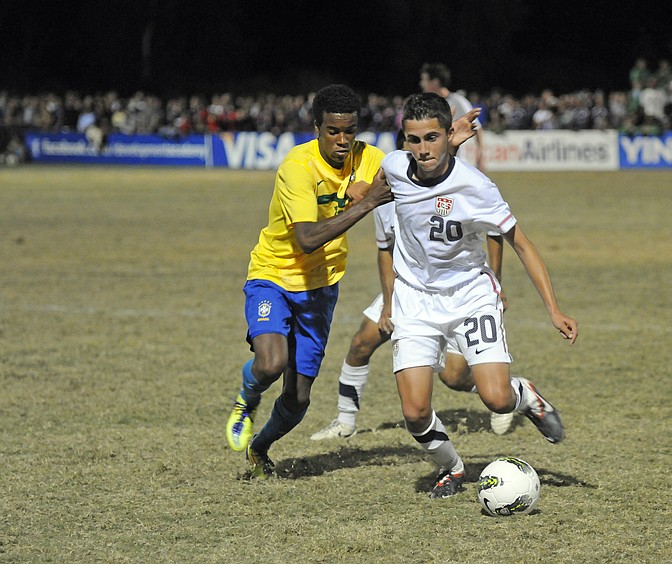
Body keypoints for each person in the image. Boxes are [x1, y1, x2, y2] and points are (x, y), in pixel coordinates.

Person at [384, 92, 578, 498]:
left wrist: (554, 309)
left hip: (471, 295)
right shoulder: (394, 168)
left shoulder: (476, 187)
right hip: (415, 300)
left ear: (447, 134)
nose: (422, 149)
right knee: (415, 412)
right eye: (414, 140)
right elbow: (371, 191)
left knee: (497, 399)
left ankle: (525, 396)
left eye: (432, 138)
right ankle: (452, 468)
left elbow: (522, 245)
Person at [310, 111, 516, 441]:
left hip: (457, 287)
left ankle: (512, 393)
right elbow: (385, 250)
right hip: (409, 286)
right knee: (362, 342)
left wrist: (496, 281)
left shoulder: (454, 184)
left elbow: (492, 231)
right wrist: (389, 304)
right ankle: (345, 422)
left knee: (453, 375)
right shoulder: (385, 196)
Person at [224, 84, 392, 478]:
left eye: (349, 131)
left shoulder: (370, 158)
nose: (342, 140)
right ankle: (246, 401)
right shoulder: (297, 167)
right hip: (274, 275)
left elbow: (417, 169)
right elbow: (307, 238)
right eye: (333, 131)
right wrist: (366, 202)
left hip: (321, 286)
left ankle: (259, 446)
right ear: (317, 127)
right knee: (270, 363)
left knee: (298, 399)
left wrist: (449, 142)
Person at [419, 62, 485, 171]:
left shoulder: (457, 101)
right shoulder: (427, 104)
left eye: (424, 80)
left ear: (435, 82)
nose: (421, 84)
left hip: (456, 163)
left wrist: (481, 155)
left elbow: (477, 128)